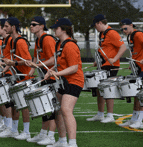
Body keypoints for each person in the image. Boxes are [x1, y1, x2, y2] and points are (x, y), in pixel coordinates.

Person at [44, 18, 84, 147]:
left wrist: (57, 73)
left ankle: (72, 144)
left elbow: (74, 68)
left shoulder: (70, 45)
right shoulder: (58, 44)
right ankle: (62, 141)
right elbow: (58, 64)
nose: (54, 30)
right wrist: (50, 71)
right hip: (62, 81)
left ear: (64, 29)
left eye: (56, 28)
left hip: (74, 80)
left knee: (66, 109)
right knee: (58, 111)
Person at [86, 14, 127, 123]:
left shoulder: (112, 33)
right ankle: (100, 114)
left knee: (108, 89)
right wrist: (98, 61)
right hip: (103, 65)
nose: (95, 28)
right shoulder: (102, 34)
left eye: (95, 25)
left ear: (100, 23)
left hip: (111, 66)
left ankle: (110, 115)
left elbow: (123, 47)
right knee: (100, 89)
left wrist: (114, 59)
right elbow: (104, 49)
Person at [0, 17, 32, 139]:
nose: (4, 28)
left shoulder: (20, 41)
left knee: (23, 106)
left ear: (13, 27)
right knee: (15, 104)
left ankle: (26, 132)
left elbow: (28, 60)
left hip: (24, 77)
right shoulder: (12, 40)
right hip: (16, 76)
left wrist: (14, 63)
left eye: (6, 26)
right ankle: (14, 129)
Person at [25, 16, 57, 146]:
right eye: (30, 24)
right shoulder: (38, 40)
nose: (31, 26)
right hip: (44, 76)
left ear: (42, 26)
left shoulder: (47, 39)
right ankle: (43, 133)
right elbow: (35, 57)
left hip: (53, 77)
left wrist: (37, 65)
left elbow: (53, 59)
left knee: (52, 108)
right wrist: (32, 69)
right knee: (45, 107)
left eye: (34, 24)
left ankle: (51, 136)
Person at [119, 18, 143, 129]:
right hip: (137, 67)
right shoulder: (130, 36)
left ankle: (140, 120)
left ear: (131, 25)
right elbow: (135, 51)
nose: (124, 30)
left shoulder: (138, 35)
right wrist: (132, 62)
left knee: (141, 95)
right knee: (137, 94)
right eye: (122, 29)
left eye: (125, 28)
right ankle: (134, 118)